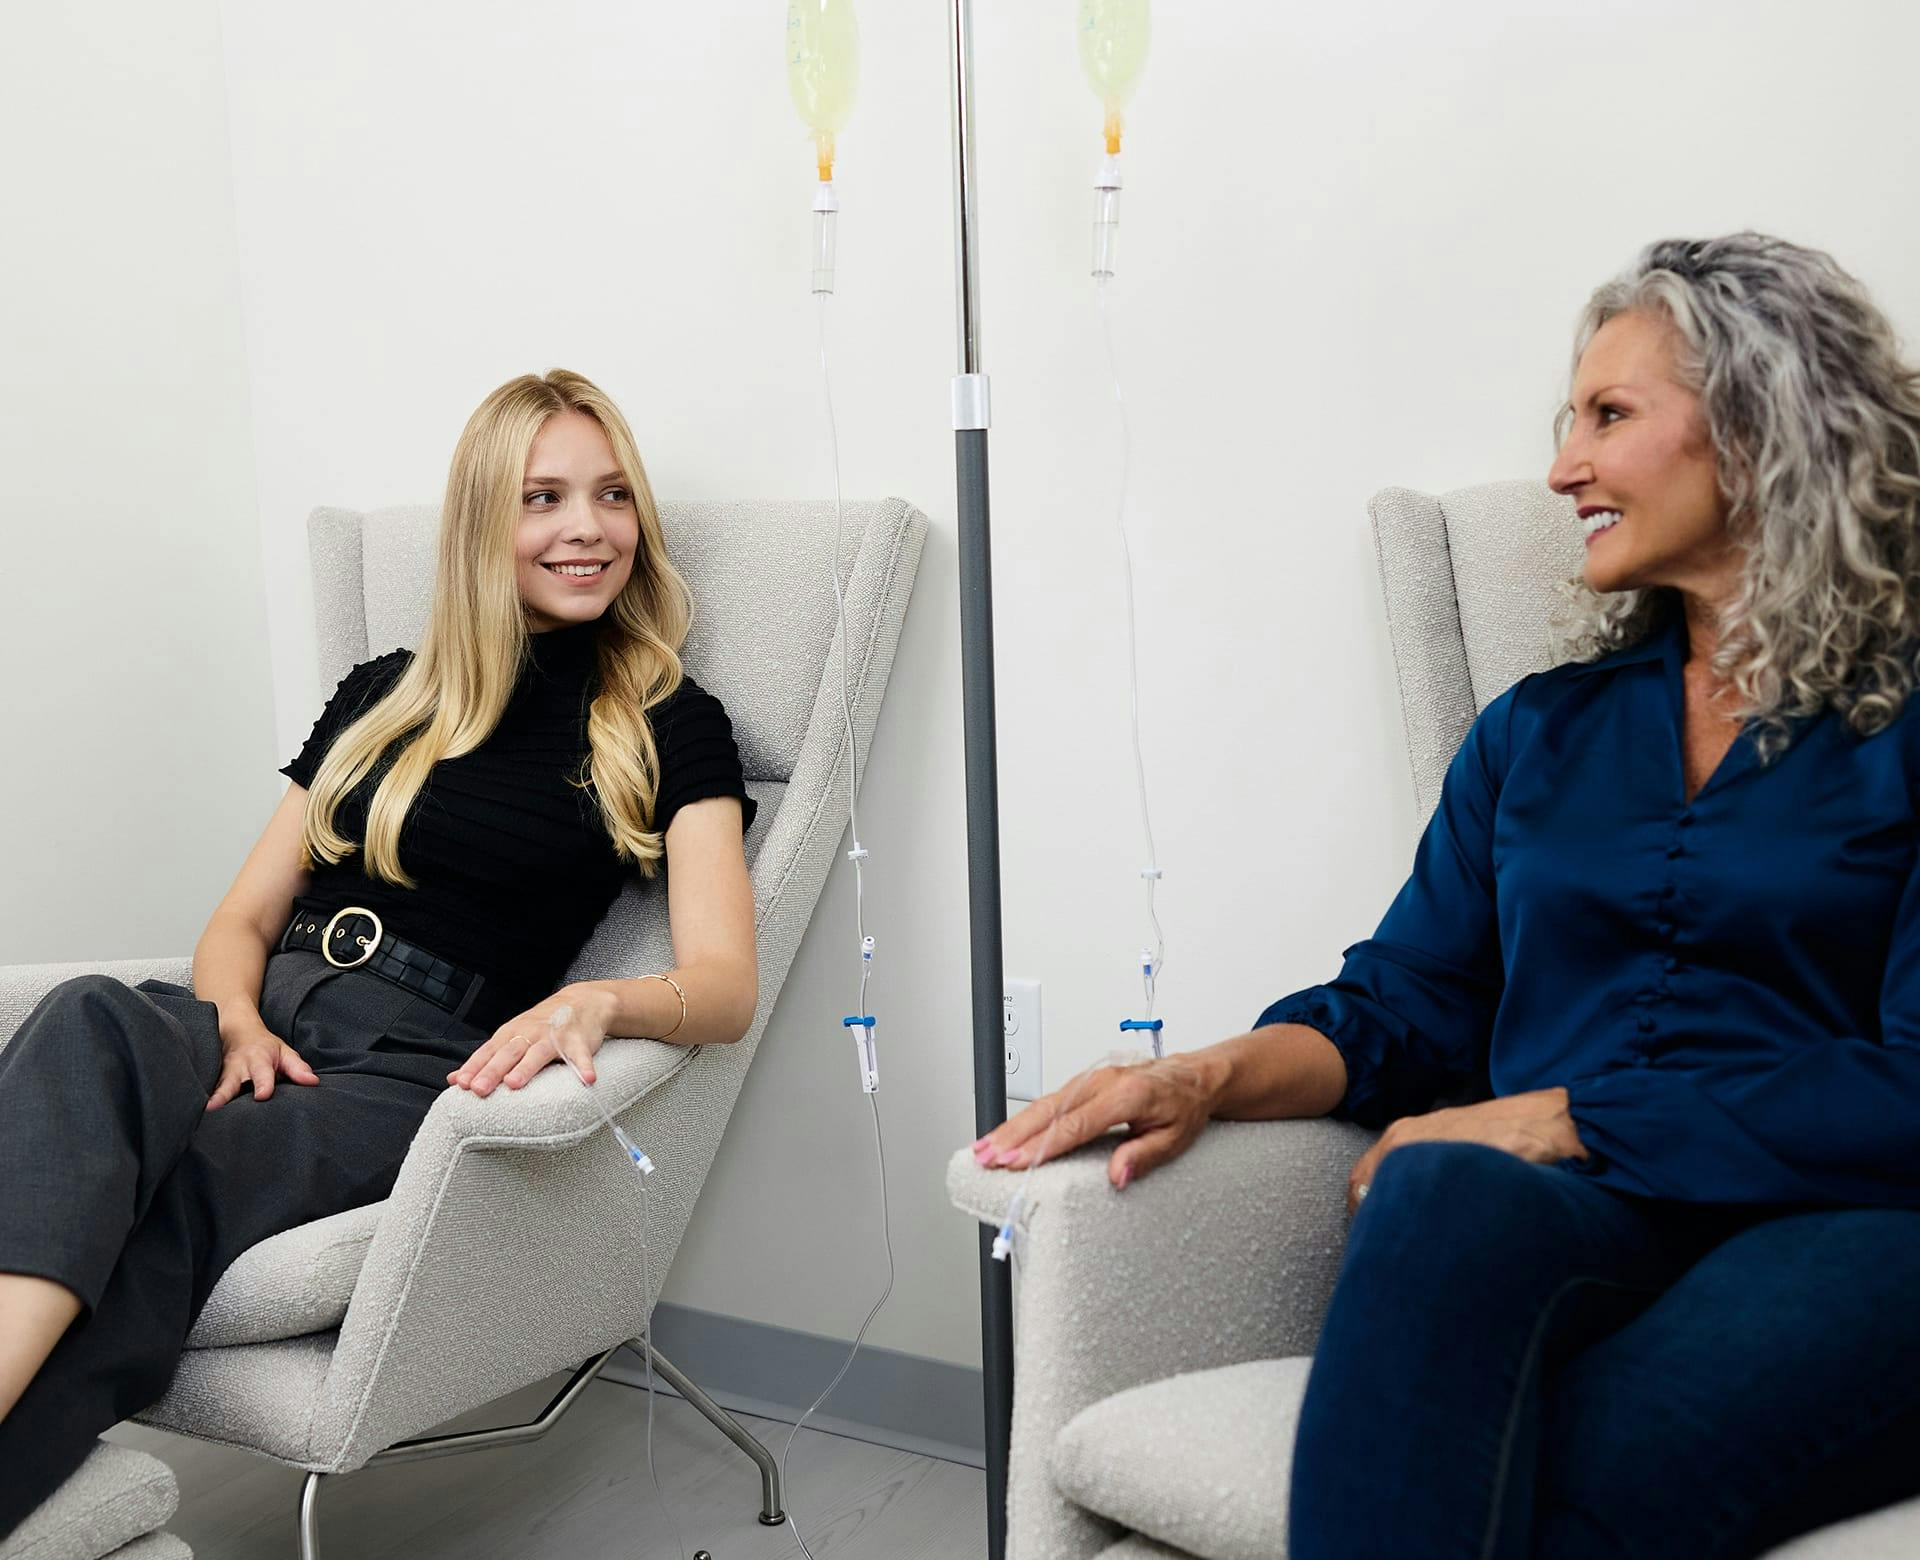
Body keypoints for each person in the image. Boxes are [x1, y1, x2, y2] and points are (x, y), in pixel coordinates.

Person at [970, 232, 1920, 1558]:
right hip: (1581, 1220)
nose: (1563, 467)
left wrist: (1562, 1116)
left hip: (1833, 1220)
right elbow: (1406, 1004)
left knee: (1592, 1469)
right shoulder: (1539, 732)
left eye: (1608, 415)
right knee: (1431, 1191)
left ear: (1760, 428)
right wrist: (1204, 1076)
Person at [0, 368, 760, 1537]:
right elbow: (241, 920)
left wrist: (602, 1002)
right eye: (544, 497)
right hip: (261, 1010)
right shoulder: (382, 695)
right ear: (481, 523)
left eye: (613, 496)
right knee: (86, 1018)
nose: (588, 528)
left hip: (409, 1063)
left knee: (181, 1198)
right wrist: (234, 1020)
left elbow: (723, 985)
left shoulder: (667, 720)